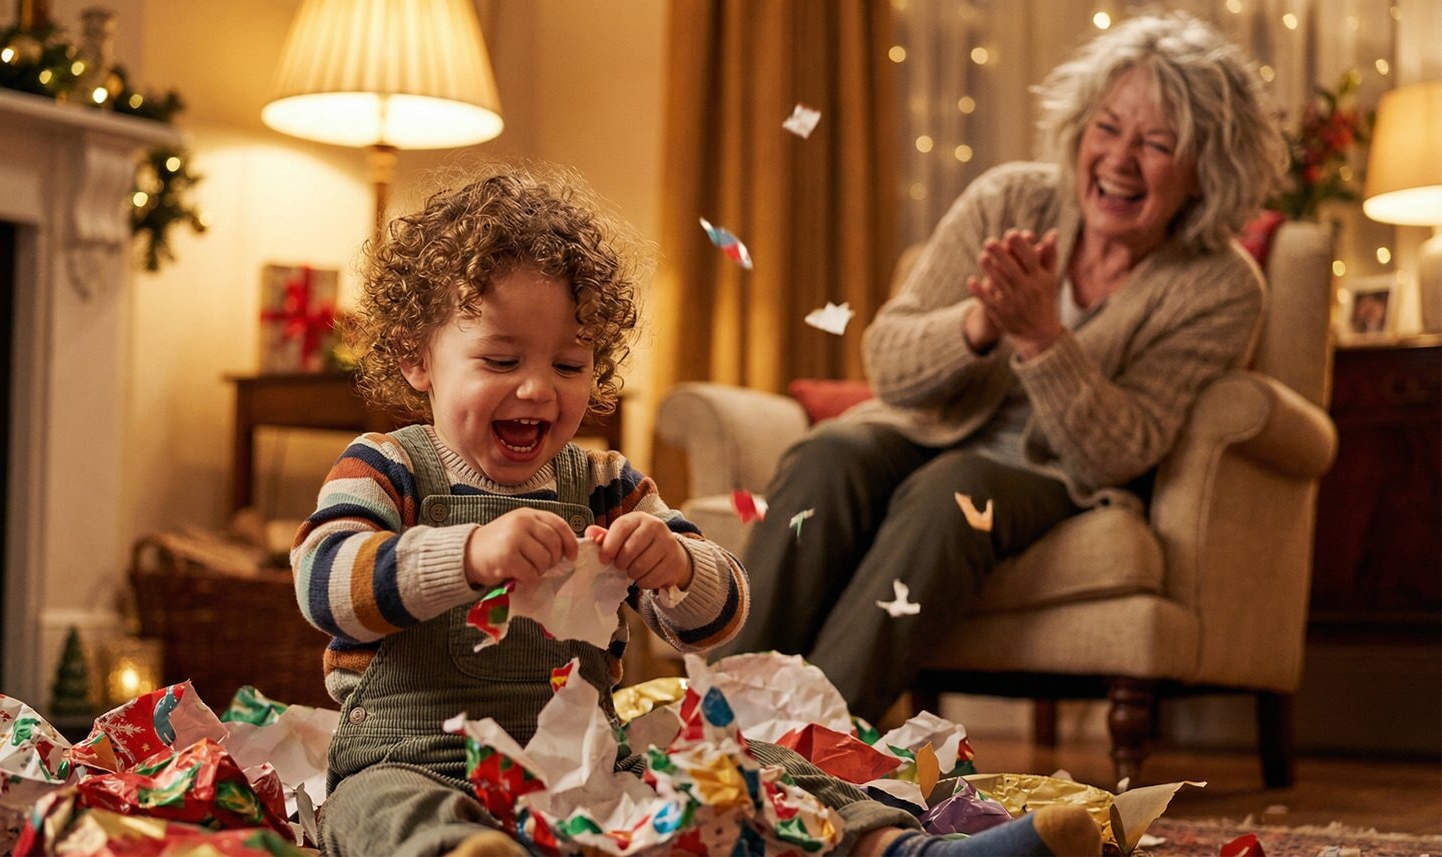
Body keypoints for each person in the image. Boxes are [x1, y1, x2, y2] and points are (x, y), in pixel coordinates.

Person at [292, 164, 1102, 856]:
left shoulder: (603, 480)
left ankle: (904, 846)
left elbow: (719, 617)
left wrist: (678, 565)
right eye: (501, 359)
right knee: (377, 806)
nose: (538, 387)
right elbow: (324, 583)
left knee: (754, 762)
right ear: (415, 355)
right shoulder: (390, 463)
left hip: (583, 766)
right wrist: (466, 554)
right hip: (417, 753)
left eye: (570, 363)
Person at [726, 12, 1287, 724]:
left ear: (1207, 170)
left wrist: (1044, 341)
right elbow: (889, 359)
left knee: (956, 490)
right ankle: (716, 721)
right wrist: (980, 323)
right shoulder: (1009, 198)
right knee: (828, 452)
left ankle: (810, 746)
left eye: (1157, 144)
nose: (1120, 159)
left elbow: (1125, 450)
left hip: (1057, 477)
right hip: (922, 429)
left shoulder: (1221, 285)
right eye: (1108, 128)